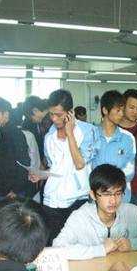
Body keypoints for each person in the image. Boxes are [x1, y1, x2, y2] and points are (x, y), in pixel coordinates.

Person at [34, 89, 96, 244]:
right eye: (51, 114)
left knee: (77, 244)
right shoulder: (50, 136)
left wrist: (70, 133)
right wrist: (41, 174)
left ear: (70, 113)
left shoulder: (88, 131)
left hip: (78, 199)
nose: (54, 119)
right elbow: (56, 168)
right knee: (53, 243)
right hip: (52, 199)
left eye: (59, 115)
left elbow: (79, 163)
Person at [52, 164, 137, 259]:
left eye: (118, 193)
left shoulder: (133, 212)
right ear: (93, 195)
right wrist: (101, 249)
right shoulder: (80, 217)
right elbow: (57, 248)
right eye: (106, 194)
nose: (113, 201)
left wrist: (133, 244)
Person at [91, 90, 136, 203]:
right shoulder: (91, 135)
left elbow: (130, 170)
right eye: (118, 110)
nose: (121, 114)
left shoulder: (128, 138)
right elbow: (86, 167)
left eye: (123, 110)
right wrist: (101, 188)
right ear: (105, 110)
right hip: (97, 198)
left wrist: (111, 187)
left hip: (121, 198)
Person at [0, 97, 31, 201]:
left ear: (6, 114)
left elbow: (24, 162)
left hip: (12, 190)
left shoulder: (15, 134)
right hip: (0, 187)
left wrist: (16, 190)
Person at [22, 95, 51, 163]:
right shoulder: (42, 122)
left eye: (30, 117)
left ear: (35, 110)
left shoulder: (51, 121)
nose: (31, 121)